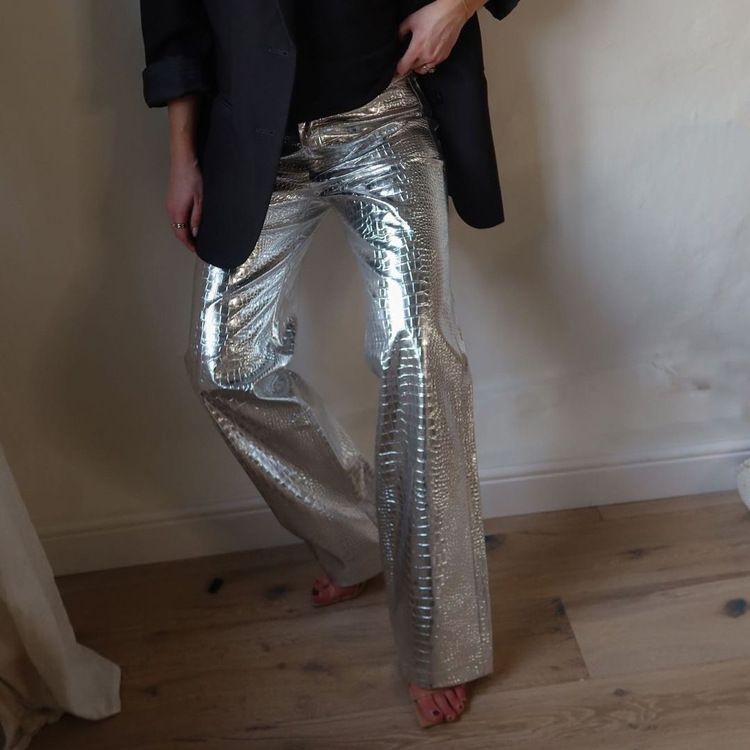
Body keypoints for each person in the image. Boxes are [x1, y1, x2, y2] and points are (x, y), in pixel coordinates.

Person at [139, 0, 521, 729]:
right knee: (225, 367)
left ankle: (441, 641)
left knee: (420, 352)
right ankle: (358, 538)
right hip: (255, 140)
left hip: (387, 120)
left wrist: (459, 4)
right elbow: (173, 19)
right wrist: (182, 156)